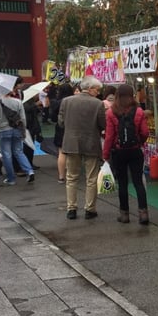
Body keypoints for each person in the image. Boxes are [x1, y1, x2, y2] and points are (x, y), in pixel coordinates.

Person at [58, 76, 106, 219]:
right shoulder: (98, 104)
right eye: (97, 90)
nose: (98, 92)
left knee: (71, 177)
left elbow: (60, 122)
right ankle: (90, 209)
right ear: (90, 89)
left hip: (71, 143)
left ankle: (71, 208)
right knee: (91, 178)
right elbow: (103, 124)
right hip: (91, 143)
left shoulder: (66, 101)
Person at [103, 84, 150, 225]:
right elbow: (145, 132)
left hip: (119, 152)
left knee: (122, 183)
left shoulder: (111, 112)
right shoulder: (139, 111)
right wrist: (140, 142)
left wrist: (105, 154)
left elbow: (109, 136)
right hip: (135, 150)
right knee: (138, 183)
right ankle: (143, 214)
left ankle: (124, 215)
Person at [0, 89, 34, 185]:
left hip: (4, 129)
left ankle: (11, 178)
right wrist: (23, 130)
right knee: (19, 151)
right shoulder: (18, 102)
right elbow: (23, 118)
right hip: (17, 129)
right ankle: (29, 171)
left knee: (7, 154)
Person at [51, 82, 75, 183]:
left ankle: (61, 176)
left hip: (60, 127)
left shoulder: (57, 102)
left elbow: (52, 118)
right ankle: (71, 174)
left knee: (61, 152)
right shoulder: (74, 101)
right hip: (73, 127)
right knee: (72, 153)